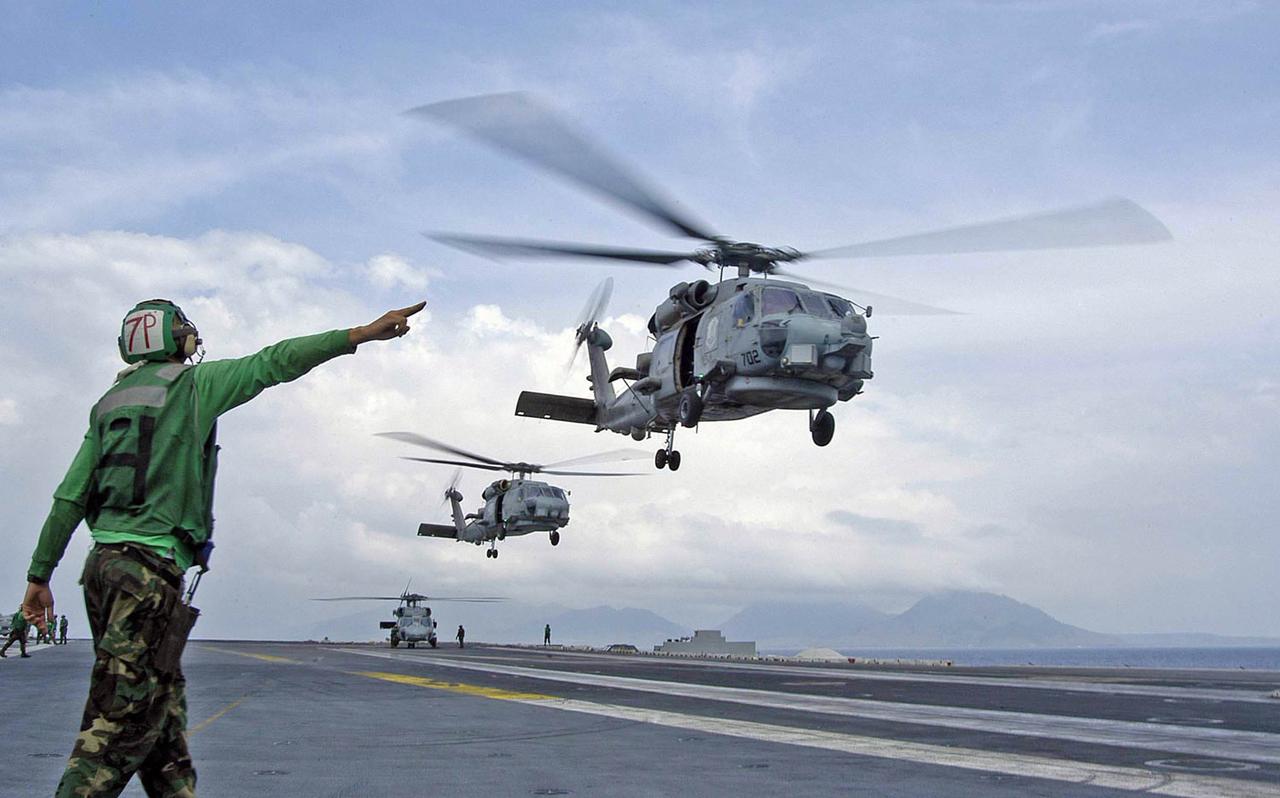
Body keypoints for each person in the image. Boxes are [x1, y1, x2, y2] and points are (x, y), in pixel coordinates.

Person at [20, 297, 425, 797]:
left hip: (102, 569)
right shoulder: (194, 387)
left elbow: (69, 497)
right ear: (180, 339)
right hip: (148, 574)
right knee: (115, 724)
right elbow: (272, 362)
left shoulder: (108, 404)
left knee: (164, 730)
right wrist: (357, 335)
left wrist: (39, 576)